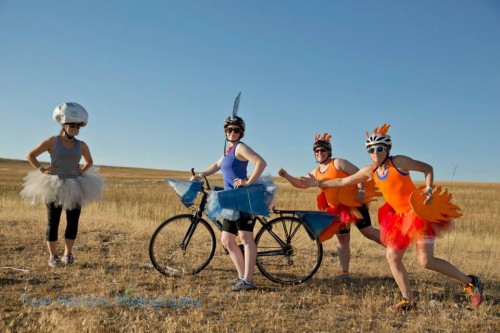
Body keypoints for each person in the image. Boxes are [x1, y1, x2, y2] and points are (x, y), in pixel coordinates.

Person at [300, 124, 483, 311]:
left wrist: (428, 188)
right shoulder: (369, 170)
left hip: (418, 215)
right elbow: (343, 181)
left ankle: (470, 281)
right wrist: (318, 183)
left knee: (426, 261)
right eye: (371, 150)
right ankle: (408, 300)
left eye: (379, 149)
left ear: (387, 149)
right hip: (398, 218)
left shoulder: (399, 162)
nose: (375, 153)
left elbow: (427, 168)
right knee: (392, 257)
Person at [278, 132, 382, 281]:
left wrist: (361, 190)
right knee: (342, 240)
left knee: (368, 232)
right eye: (317, 151)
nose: (320, 153)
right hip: (337, 209)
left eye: (323, 150)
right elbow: (301, 185)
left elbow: (360, 174)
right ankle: (344, 273)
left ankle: (394, 247)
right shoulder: (316, 173)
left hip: (353, 204)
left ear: (329, 151)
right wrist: (286, 175)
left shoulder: (338, 163)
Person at [190, 108, 267, 291]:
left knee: (246, 238)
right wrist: (201, 175)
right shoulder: (229, 151)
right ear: (225, 132)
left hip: (242, 198)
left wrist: (248, 182)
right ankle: (242, 277)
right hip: (230, 201)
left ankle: (248, 280)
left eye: (236, 130)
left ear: (241, 132)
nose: (232, 133)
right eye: (229, 130)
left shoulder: (240, 147)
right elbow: (217, 165)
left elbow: (261, 162)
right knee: (227, 240)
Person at [21, 102, 104, 268]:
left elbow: (90, 161)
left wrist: (81, 170)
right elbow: (30, 155)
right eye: (72, 125)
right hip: (54, 185)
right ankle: (53, 257)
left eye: (78, 126)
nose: (75, 128)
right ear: (63, 124)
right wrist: (42, 169)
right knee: (53, 222)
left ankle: (68, 253)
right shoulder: (53, 141)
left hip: (75, 185)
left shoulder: (81, 145)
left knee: (73, 222)